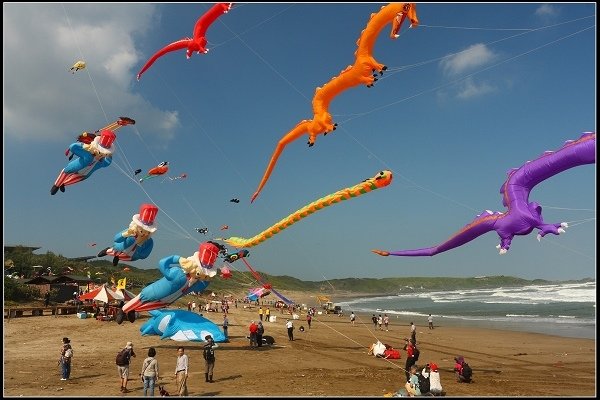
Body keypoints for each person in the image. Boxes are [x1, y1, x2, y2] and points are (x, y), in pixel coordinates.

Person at [51, 129, 116, 195]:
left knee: (78, 178)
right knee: (67, 171)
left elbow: (107, 163)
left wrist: (109, 156)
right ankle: (56, 185)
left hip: (84, 174)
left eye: (104, 153)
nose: (101, 155)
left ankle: (63, 184)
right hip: (76, 166)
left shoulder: (100, 162)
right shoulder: (88, 155)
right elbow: (74, 147)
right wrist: (82, 145)